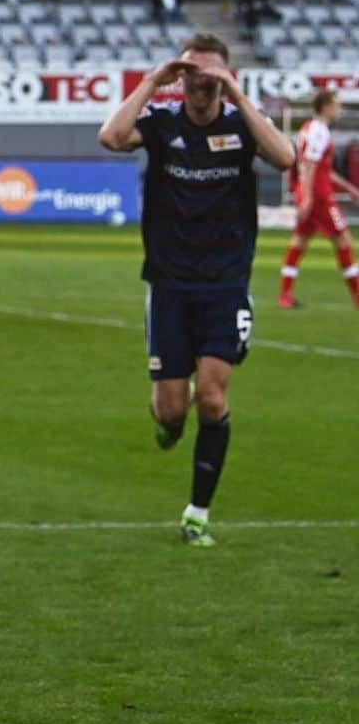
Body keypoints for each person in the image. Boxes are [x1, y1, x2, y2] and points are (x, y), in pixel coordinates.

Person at [98, 32, 294, 546]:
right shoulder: (162, 124)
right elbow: (111, 137)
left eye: (211, 76)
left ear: (225, 81)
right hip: (169, 284)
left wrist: (239, 93)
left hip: (226, 282)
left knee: (211, 398)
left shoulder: (241, 126)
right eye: (192, 74)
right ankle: (168, 416)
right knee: (172, 413)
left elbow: (286, 157)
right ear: (180, 77)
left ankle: (197, 514)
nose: (200, 84)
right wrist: (150, 81)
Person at [279, 89, 359, 309]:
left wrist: (348, 187)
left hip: (312, 193)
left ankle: (285, 295)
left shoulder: (310, 129)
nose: (339, 109)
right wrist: (308, 199)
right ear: (325, 106)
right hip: (320, 197)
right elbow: (311, 166)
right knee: (343, 240)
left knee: (300, 241)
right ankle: (357, 295)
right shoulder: (318, 131)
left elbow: (320, 168)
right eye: (337, 104)